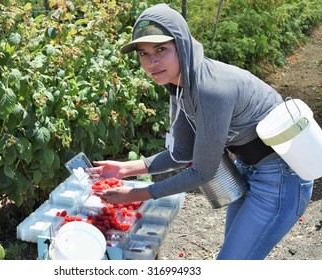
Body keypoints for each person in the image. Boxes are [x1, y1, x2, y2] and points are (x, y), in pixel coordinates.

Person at [87, 3, 314, 260]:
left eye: (161, 49)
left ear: (182, 45)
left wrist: (137, 193)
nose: (152, 62)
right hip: (252, 169)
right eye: (143, 53)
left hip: (281, 177)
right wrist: (126, 169)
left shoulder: (209, 89)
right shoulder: (181, 85)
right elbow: (181, 153)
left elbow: (202, 171)